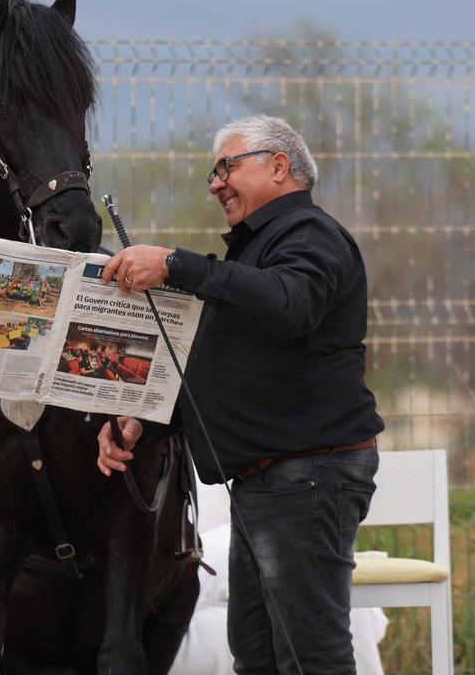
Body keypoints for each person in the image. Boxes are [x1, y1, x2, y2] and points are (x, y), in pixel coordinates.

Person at [96, 115, 384, 675]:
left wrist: (175, 264)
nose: (215, 184)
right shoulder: (257, 252)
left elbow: (290, 303)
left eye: (226, 167)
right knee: (257, 656)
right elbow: (231, 371)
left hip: (305, 478)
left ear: (279, 166)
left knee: (310, 657)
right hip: (271, 482)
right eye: (213, 172)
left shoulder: (309, 233)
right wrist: (144, 424)